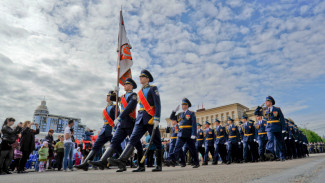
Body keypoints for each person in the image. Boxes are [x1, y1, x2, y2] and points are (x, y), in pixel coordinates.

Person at [109, 69, 162, 172]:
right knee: (133, 139)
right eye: (140, 77)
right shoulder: (139, 92)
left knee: (157, 141)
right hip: (140, 119)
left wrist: (157, 118)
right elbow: (120, 100)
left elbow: (157, 104)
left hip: (150, 118)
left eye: (142, 77)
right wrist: (115, 93)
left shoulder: (153, 88)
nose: (140, 78)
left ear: (147, 79)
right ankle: (125, 161)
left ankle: (159, 165)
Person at [90, 78, 143, 171]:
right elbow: (112, 98)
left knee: (137, 144)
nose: (125, 86)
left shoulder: (134, 95)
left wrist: (119, 117)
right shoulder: (122, 96)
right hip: (122, 124)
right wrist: (115, 92)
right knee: (114, 142)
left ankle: (141, 166)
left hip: (130, 122)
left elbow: (129, 108)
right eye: (125, 84)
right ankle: (103, 161)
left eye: (127, 84)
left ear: (131, 86)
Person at [75, 91, 119, 171]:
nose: (107, 97)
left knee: (117, 147)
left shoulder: (115, 107)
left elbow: (116, 118)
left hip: (111, 129)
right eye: (107, 96)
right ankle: (85, 164)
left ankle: (124, 161)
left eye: (109, 96)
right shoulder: (105, 108)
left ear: (112, 97)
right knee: (96, 146)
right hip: (104, 129)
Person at [165, 98, 200, 168]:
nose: (182, 106)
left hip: (189, 134)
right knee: (177, 148)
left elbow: (194, 124)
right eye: (182, 104)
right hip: (181, 134)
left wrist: (194, 134)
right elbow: (172, 117)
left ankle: (196, 162)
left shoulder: (191, 113)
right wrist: (174, 111)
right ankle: (172, 160)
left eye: (184, 104)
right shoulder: (180, 114)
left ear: (187, 105)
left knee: (192, 149)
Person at [255, 96, 285, 161]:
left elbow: (282, 119)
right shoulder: (264, 110)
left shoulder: (277, 109)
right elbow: (256, 113)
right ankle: (269, 151)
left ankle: (281, 156)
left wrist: (283, 128)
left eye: (267, 101)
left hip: (277, 127)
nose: (266, 102)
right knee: (270, 139)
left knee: (279, 142)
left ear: (270, 102)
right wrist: (259, 107)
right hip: (269, 128)